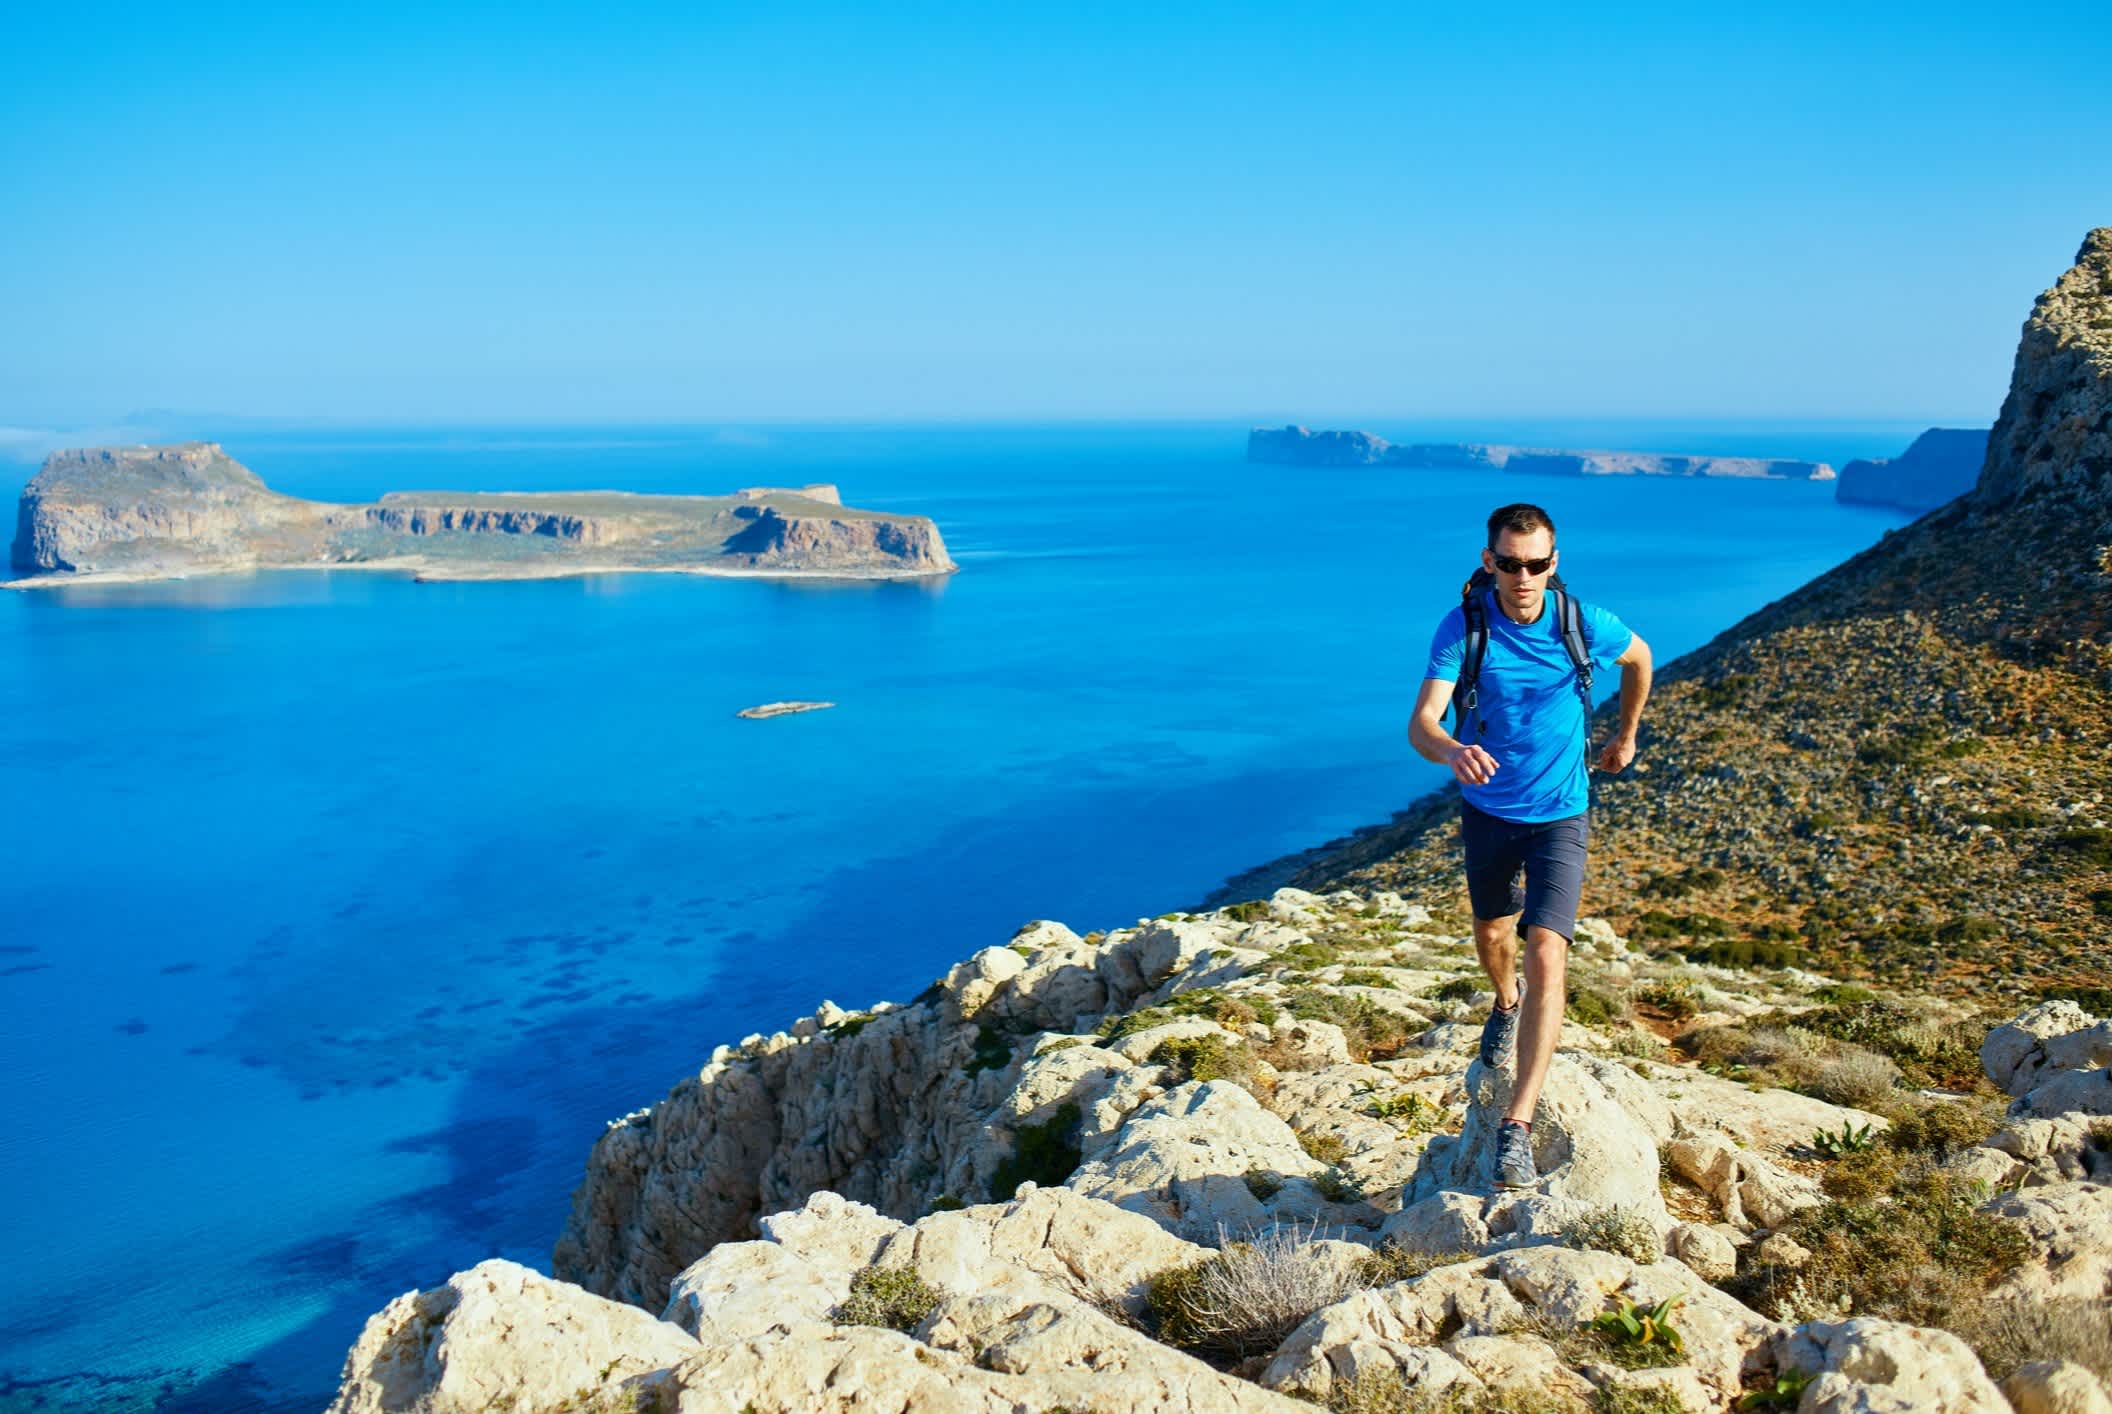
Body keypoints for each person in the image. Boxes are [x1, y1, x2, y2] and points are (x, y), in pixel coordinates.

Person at [1407, 503, 1652, 1189]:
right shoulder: (1466, 626)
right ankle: (1504, 1001)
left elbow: (1640, 658)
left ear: (1555, 561)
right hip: (1487, 810)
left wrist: (1626, 735)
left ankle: (1516, 1123)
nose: (1523, 577)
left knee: (1549, 945)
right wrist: (1452, 750)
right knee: (1494, 935)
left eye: (1537, 564)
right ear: (1489, 562)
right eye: (1510, 564)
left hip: (1561, 811)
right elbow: (1422, 722)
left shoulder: (1582, 623)